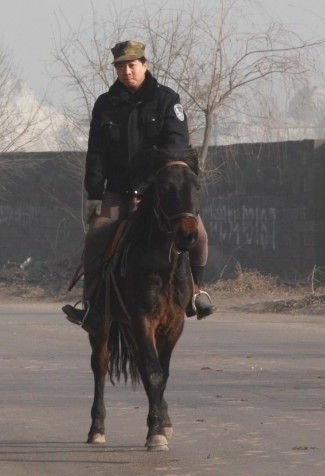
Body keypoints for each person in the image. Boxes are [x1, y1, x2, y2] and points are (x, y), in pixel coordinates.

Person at [62, 40, 215, 326]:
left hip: (160, 193)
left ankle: (197, 291)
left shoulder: (168, 100)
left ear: (144, 65)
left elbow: (177, 145)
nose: (126, 72)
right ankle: (92, 304)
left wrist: (154, 175)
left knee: (199, 234)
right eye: (120, 67)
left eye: (131, 65)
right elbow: (96, 153)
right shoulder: (105, 105)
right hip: (118, 192)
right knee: (95, 235)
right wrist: (95, 194)